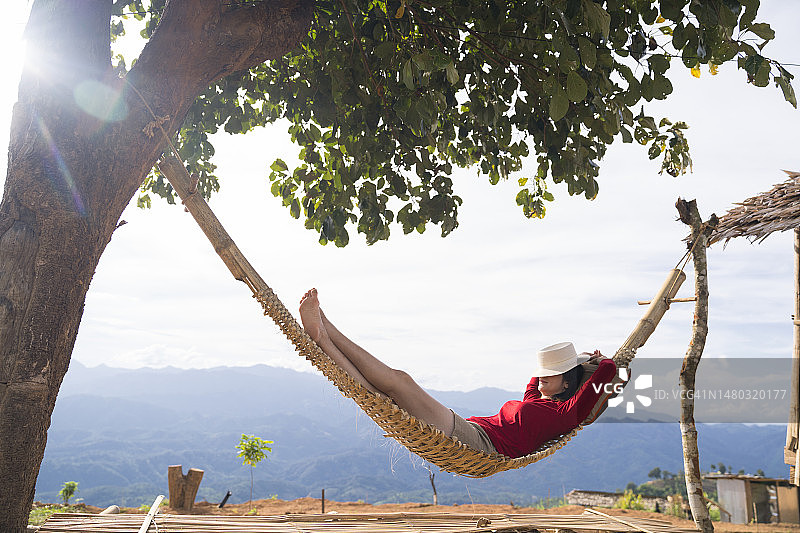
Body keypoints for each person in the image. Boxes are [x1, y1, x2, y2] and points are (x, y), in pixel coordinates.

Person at [299, 288, 617, 458]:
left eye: (554, 373)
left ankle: (328, 331)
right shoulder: (539, 399)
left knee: (399, 382)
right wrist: (577, 359)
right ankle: (323, 336)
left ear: (568, 380)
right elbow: (533, 382)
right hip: (467, 429)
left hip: (475, 442)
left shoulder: (567, 414)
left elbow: (609, 371)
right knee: (379, 395)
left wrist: (599, 362)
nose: (543, 377)